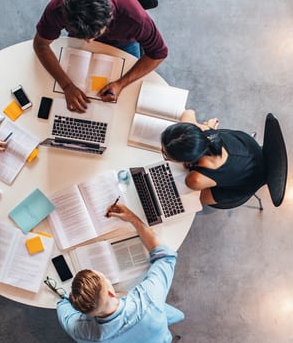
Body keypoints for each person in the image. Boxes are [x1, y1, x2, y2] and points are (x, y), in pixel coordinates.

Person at [33, 0, 168, 113]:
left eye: (94, 35)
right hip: (78, 38)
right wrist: (67, 85)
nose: (89, 42)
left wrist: (121, 83)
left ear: (109, 17)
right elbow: (41, 45)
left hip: (123, 42)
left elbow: (158, 54)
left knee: (125, 100)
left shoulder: (136, 20)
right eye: (84, 37)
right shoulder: (57, 8)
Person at [56, 203, 184, 343]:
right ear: (111, 293)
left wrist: (68, 299)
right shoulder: (148, 299)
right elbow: (165, 256)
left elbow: (63, 310)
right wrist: (133, 219)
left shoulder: (81, 332)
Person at [161, 110, 266, 209]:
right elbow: (188, 112)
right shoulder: (203, 131)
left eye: (165, 154)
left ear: (186, 159)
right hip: (249, 148)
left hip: (247, 183)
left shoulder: (194, 180)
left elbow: (195, 191)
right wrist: (206, 127)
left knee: (192, 200)